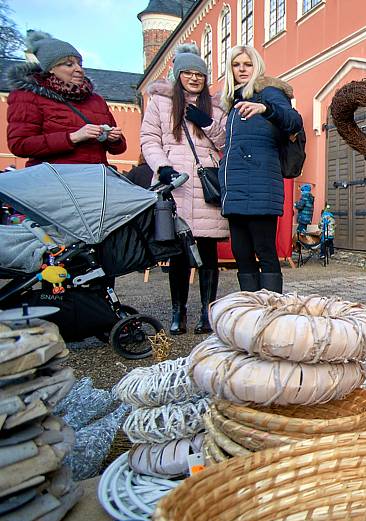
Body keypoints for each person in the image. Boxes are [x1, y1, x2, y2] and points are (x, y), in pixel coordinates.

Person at [140, 44, 228, 335]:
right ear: (178, 75)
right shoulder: (160, 102)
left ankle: (208, 311)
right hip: (175, 185)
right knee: (177, 251)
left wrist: (208, 124)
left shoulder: (215, 107)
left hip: (206, 185)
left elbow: (226, 143)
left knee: (208, 250)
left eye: (199, 74)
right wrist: (161, 166)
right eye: (188, 73)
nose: (193, 78)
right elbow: (149, 139)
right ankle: (178, 311)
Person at [218, 45, 303, 293]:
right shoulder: (233, 101)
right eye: (237, 65)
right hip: (234, 188)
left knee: (265, 251)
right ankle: (250, 310)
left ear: (257, 67)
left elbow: (294, 120)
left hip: (261, 185)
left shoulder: (268, 93)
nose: (242, 69)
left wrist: (267, 109)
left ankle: (272, 310)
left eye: (248, 64)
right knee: (241, 254)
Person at [6, 31, 126, 167]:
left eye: (80, 64)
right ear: (51, 68)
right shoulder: (27, 96)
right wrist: (73, 137)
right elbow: (19, 144)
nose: (79, 69)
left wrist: (114, 139)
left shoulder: (96, 100)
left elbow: (119, 149)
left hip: (94, 178)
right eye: (69, 64)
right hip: (53, 179)